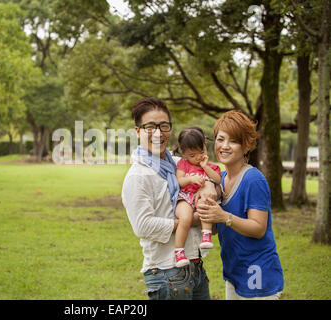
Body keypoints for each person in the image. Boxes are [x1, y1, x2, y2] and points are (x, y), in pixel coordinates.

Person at [121, 97, 219, 300]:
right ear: (138, 131)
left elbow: (208, 179)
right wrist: (189, 221)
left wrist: (208, 186)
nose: (158, 133)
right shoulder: (138, 176)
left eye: (164, 126)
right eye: (150, 127)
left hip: (196, 267)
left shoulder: (178, 163)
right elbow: (143, 226)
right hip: (166, 273)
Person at [196, 110, 284, 300]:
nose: (224, 146)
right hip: (234, 272)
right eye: (220, 139)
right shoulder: (222, 178)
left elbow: (259, 228)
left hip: (257, 273)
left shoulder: (253, 179)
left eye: (233, 141)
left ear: (246, 146)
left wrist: (223, 217)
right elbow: (217, 228)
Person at [173, 127, 222, 268]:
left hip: (200, 197)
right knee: (186, 218)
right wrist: (191, 179)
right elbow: (179, 181)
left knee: (205, 202)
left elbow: (218, 180)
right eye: (192, 155)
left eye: (201, 152)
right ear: (184, 153)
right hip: (185, 197)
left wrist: (206, 167)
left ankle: (206, 234)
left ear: (205, 147)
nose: (198, 158)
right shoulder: (183, 164)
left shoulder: (211, 166)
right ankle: (179, 252)